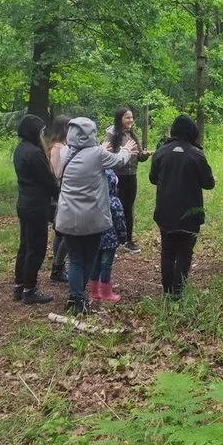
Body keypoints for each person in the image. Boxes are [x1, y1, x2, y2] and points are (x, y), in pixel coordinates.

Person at [54, 117, 137, 314]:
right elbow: (119, 160)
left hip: (66, 217)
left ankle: (75, 299)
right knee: (89, 259)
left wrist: (102, 149)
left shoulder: (65, 151)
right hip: (91, 219)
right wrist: (127, 148)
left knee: (75, 259)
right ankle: (80, 298)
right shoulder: (98, 154)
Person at [149, 114, 215, 298]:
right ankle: (178, 291)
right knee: (185, 252)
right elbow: (208, 183)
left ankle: (167, 290)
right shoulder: (197, 154)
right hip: (190, 213)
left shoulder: (161, 152)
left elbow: (153, 178)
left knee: (167, 251)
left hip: (165, 212)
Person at [13, 114, 60, 305]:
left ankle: (19, 286)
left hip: (24, 203)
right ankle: (29, 289)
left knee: (25, 246)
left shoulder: (20, 150)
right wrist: (60, 197)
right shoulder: (34, 153)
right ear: (34, 132)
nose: (43, 134)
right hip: (36, 206)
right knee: (36, 248)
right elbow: (48, 181)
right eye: (41, 131)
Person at [103, 107, 151, 254]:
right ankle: (114, 240)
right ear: (120, 119)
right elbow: (105, 153)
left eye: (131, 117)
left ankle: (128, 240)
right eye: (127, 118)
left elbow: (139, 156)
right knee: (115, 208)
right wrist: (121, 151)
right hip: (117, 177)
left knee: (128, 208)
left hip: (131, 175)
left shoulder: (132, 134)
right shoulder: (112, 134)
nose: (130, 120)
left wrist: (145, 155)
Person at [90, 170, 127, 303]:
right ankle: (106, 291)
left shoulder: (92, 200)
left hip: (94, 238)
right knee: (106, 265)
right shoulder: (114, 202)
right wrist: (123, 237)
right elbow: (120, 221)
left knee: (95, 264)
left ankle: (94, 291)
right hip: (110, 240)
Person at [48, 114, 71, 284]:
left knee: (60, 232)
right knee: (63, 233)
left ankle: (58, 265)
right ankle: (57, 266)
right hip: (61, 194)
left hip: (64, 193)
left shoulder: (64, 146)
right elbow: (57, 173)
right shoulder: (57, 148)